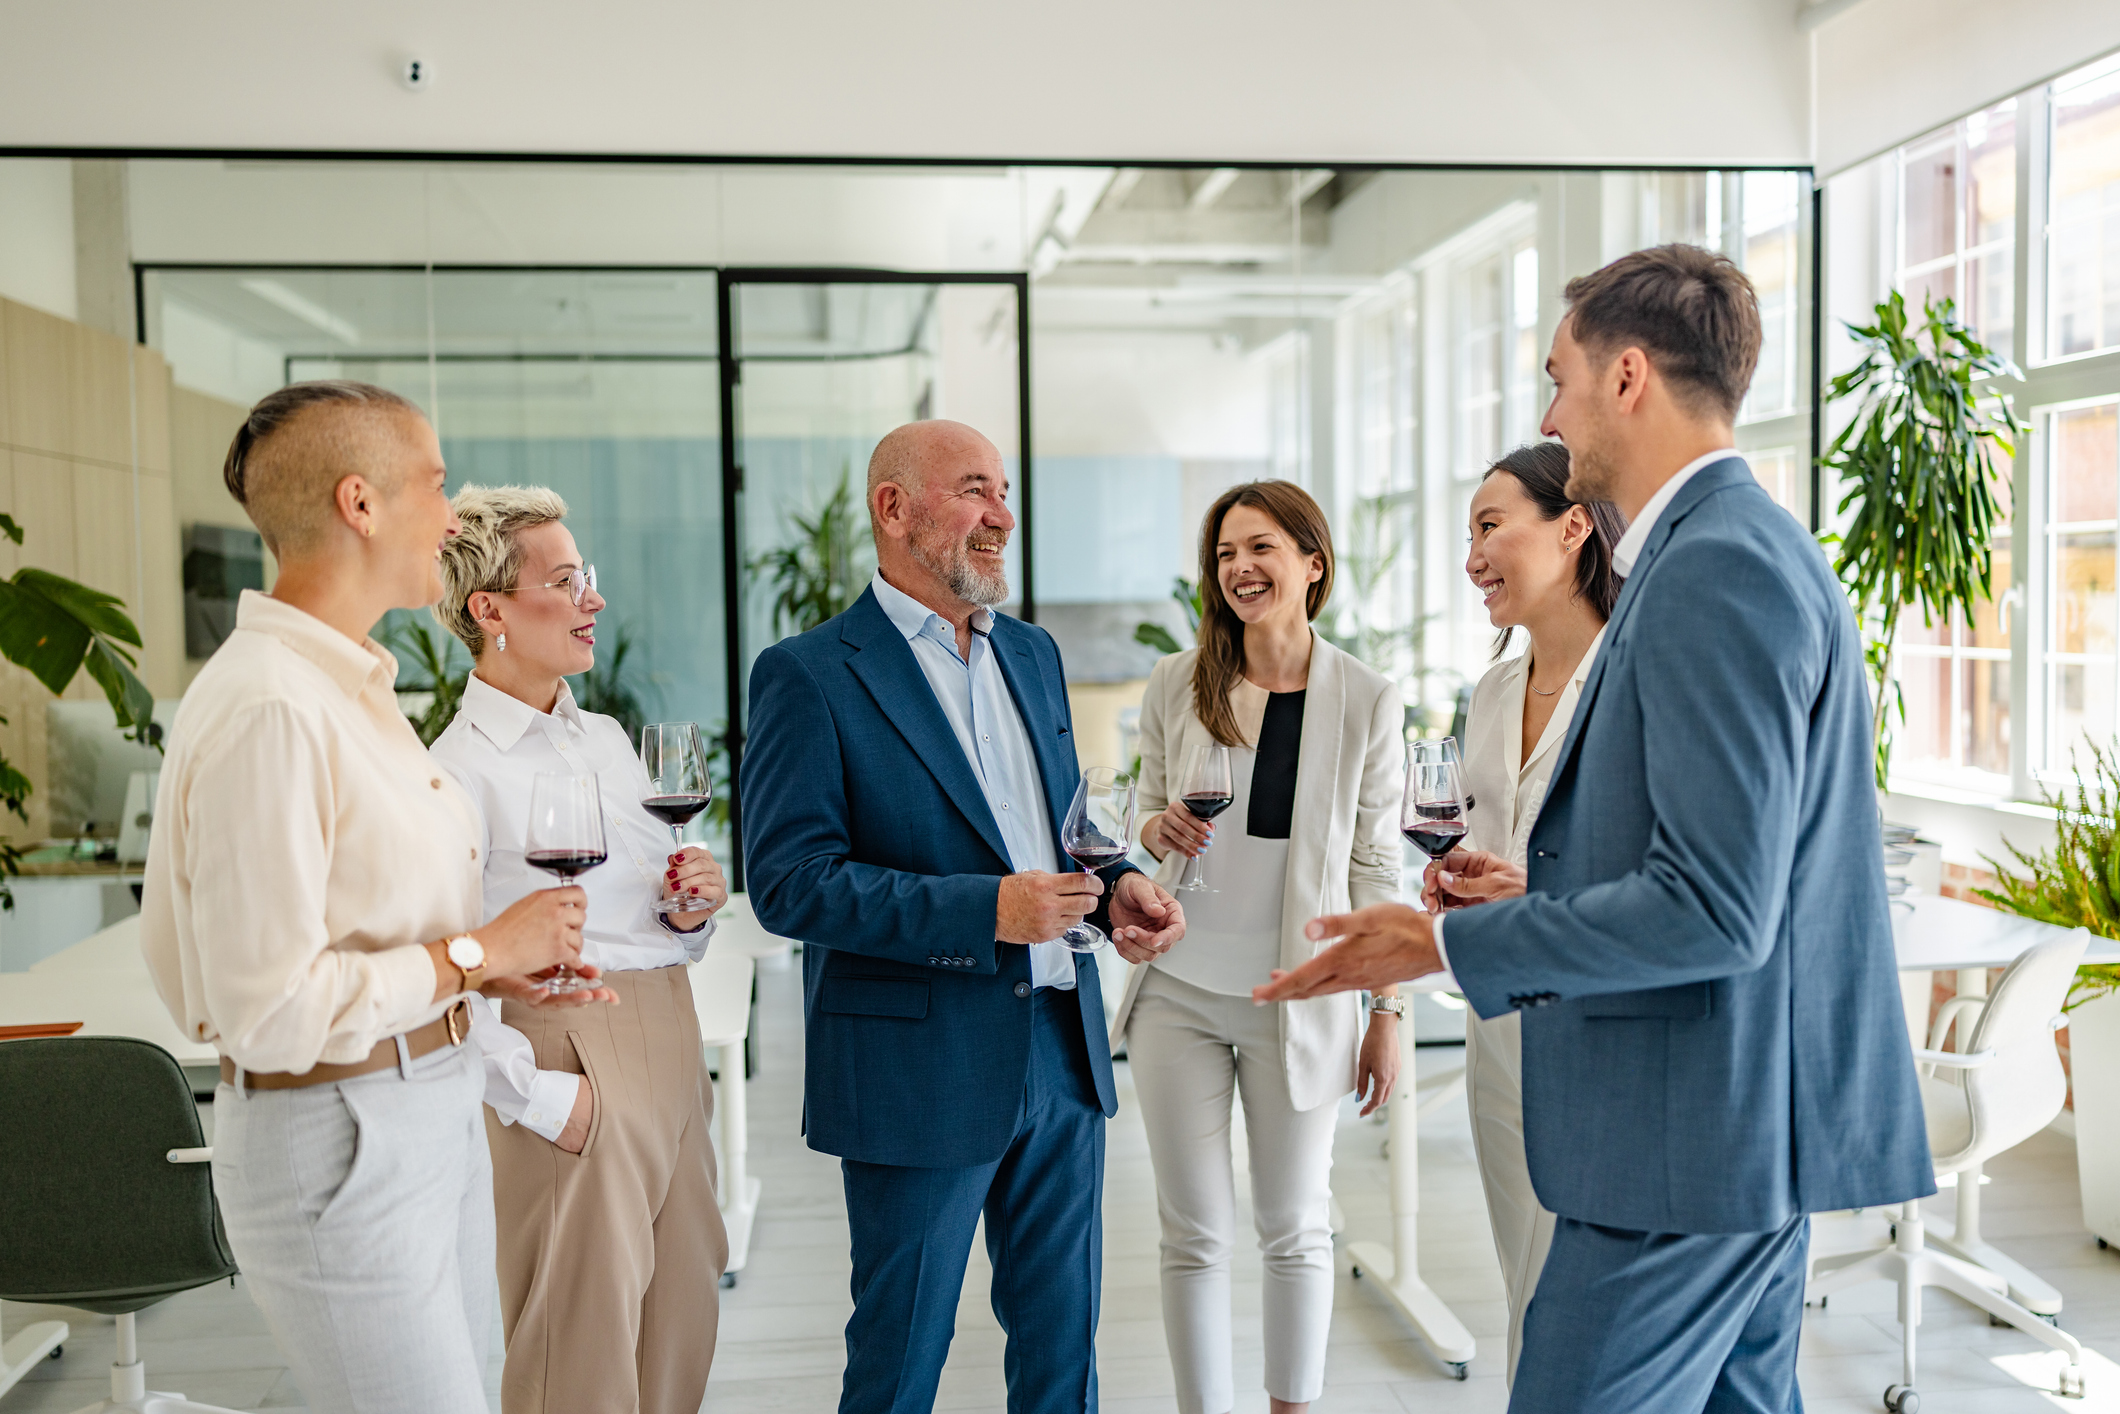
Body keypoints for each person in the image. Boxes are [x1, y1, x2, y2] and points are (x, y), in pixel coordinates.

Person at [1256, 246, 1933, 1412]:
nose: (1546, 412)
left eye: (1556, 376)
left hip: (1682, 1146)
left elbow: (1716, 906)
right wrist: (1535, 891)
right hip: (1727, 1133)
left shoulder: (1713, 564)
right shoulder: (1716, 548)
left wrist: (1441, 946)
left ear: (1627, 376)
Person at [140, 381, 592, 1414]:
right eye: (434, 485)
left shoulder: (350, 690)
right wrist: (477, 953)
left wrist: (492, 969)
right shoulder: (272, 707)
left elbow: (384, 924)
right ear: (360, 503)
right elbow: (267, 1008)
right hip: (339, 1135)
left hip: (422, 1107)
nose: (451, 516)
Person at [742, 419, 1188, 1414]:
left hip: (1060, 1054)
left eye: (1002, 492)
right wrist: (988, 908)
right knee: (901, 1360)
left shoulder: (1028, 652)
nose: (1003, 515)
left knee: (1061, 1349)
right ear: (893, 510)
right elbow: (789, 881)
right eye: (975, 490)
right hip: (917, 1068)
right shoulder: (808, 673)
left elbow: (1064, 827)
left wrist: (1118, 888)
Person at [427, 484, 731, 1414]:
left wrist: (690, 908)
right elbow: (443, 963)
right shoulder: (452, 771)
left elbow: (648, 908)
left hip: (668, 1041)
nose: (593, 599)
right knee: (578, 1357)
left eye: (587, 577)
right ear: (492, 611)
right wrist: (539, 1096)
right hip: (564, 1048)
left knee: (682, 1320)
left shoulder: (603, 740)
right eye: (567, 580)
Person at [1114, 480, 1404, 1414]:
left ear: (1312, 564)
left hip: (1302, 999)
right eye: (1227, 553)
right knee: (1193, 1234)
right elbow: (1140, 834)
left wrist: (1386, 1012)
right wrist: (1157, 826)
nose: (1241, 567)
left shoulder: (1365, 697)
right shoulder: (1176, 681)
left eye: (1262, 547)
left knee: (1295, 1227)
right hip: (1180, 997)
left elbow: (1375, 865)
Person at [1440, 442, 1624, 1388]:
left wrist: (1529, 893)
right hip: (1498, 1018)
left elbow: (1655, 871)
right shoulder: (1494, 690)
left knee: (1582, 1286)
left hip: (1596, 1027)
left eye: (1489, 526)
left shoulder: (1632, 679)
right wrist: (1459, 880)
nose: (1472, 557)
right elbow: (1494, 840)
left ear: (1573, 525)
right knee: (1523, 1273)